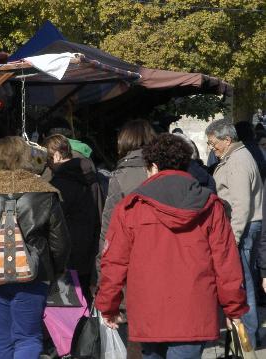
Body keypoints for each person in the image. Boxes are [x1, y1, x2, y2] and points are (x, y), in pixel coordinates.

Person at [96, 134, 248, 358]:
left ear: (153, 166)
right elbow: (226, 262)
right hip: (194, 311)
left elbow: (114, 261)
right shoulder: (210, 205)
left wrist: (108, 304)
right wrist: (233, 307)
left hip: (148, 310)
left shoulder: (131, 206)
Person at [0, 136, 70, 358]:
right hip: (35, 275)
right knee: (28, 337)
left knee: (0, 340)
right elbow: (61, 242)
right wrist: (54, 273)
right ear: (26, 157)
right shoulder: (46, 193)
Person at [205, 119, 263, 348]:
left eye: (213, 143)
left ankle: (246, 337)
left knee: (242, 283)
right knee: (243, 282)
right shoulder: (237, 156)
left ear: (227, 140)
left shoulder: (238, 160)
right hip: (245, 226)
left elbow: (241, 205)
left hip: (243, 227)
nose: (212, 148)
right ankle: (246, 335)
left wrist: (234, 238)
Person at [95, 119, 157, 285]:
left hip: (133, 259)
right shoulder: (168, 171)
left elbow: (109, 228)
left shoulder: (120, 178)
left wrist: (102, 273)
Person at [43, 134, 99, 298]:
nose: (48, 165)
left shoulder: (58, 184)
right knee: (84, 305)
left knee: (64, 312)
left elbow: (53, 225)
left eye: (48, 159)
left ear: (57, 156)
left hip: (66, 257)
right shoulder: (92, 177)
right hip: (89, 251)